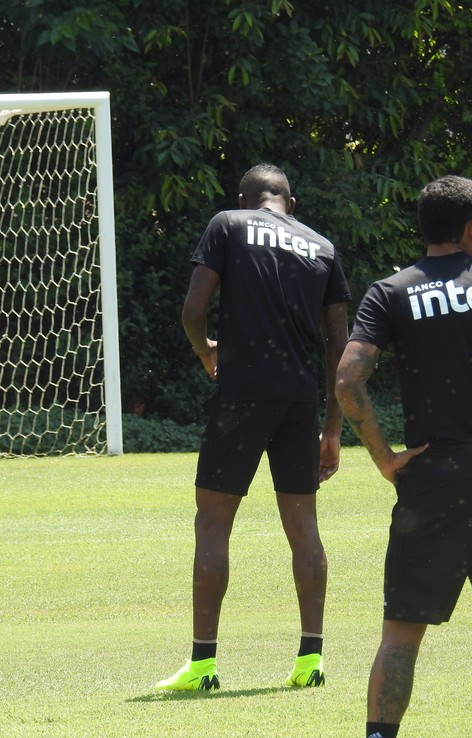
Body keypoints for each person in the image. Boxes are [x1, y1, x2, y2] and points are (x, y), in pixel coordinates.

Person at [335, 175, 472, 738]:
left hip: (432, 477)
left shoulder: (392, 290)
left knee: (401, 631)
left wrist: (384, 457)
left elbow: (347, 380)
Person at [156, 163, 350, 692]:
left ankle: (202, 666)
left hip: (242, 393)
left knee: (214, 523)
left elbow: (193, 310)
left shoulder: (228, 223)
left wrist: (204, 353)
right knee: (303, 528)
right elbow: (341, 345)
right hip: (300, 400)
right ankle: (310, 661)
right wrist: (333, 428)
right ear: (292, 201)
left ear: (244, 198)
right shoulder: (323, 248)